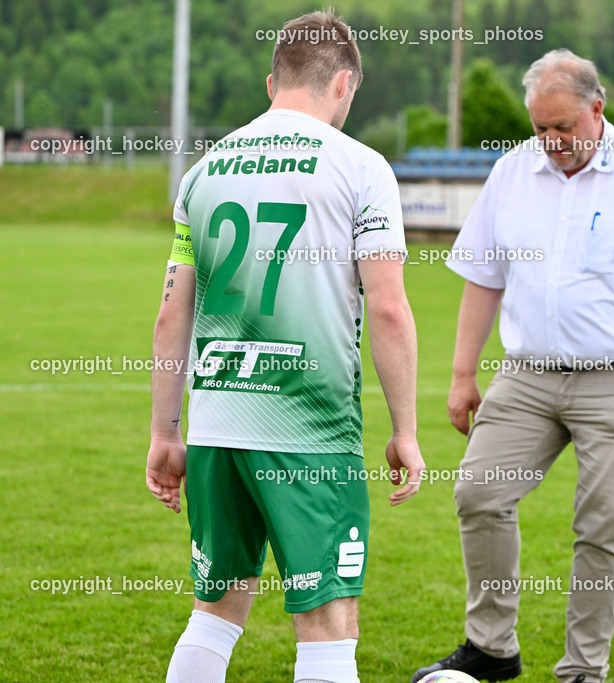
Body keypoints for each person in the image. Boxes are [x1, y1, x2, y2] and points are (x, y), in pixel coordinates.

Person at [412, 49, 614, 683]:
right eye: (540, 128)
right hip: (526, 375)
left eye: (564, 126)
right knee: (479, 493)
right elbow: (482, 278)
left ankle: (584, 667)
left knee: (603, 523)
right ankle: (491, 646)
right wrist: (461, 374)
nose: (552, 141)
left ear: (597, 107)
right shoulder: (511, 173)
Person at [146, 9, 424, 683]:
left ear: (273, 82)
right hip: (310, 429)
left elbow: (170, 314)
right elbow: (387, 307)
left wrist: (165, 431)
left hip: (217, 424)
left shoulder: (205, 171)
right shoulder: (360, 167)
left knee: (215, 609)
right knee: (328, 622)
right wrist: (406, 430)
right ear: (345, 84)